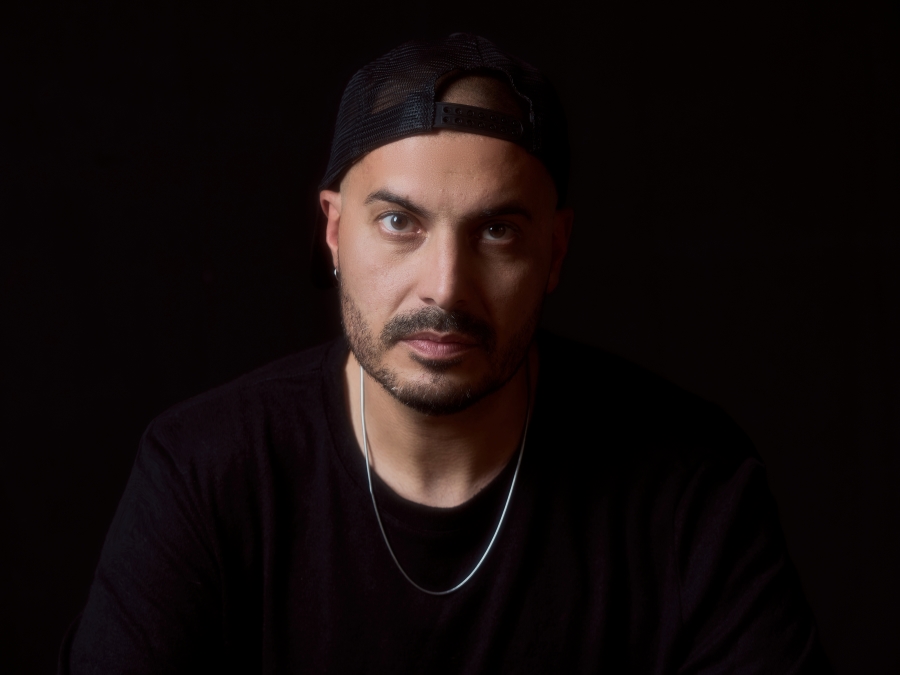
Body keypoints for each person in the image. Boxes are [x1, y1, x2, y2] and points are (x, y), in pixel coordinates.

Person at [61, 33, 831, 673]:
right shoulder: (204, 471)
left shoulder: (693, 488)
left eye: (497, 231)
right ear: (335, 230)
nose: (446, 286)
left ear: (556, 250)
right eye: (400, 222)